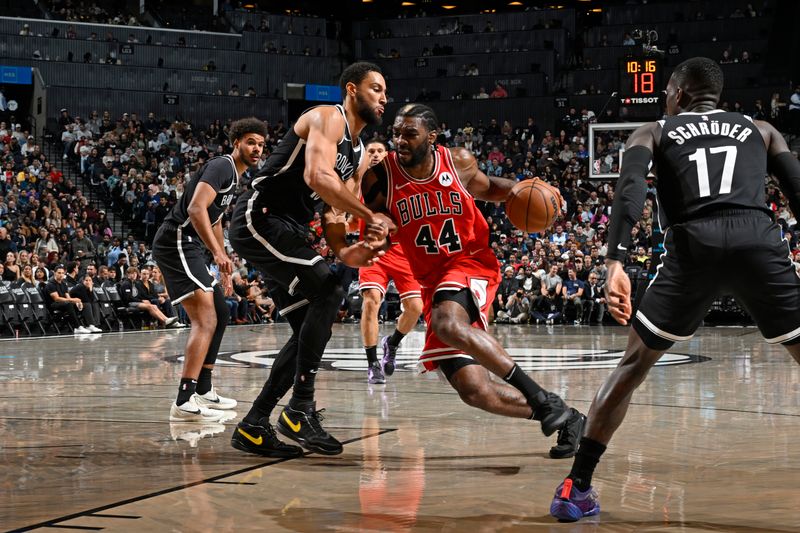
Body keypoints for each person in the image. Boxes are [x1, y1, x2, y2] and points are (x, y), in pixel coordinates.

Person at [550, 57, 800, 521]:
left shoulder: (654, 130)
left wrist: (615, 261)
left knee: (631, 366)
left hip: (693, 244)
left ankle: (576, 486)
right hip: (756, 239)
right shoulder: (761, 129)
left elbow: (629, 191)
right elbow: (798, 191)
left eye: (667, 91)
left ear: (679, 93)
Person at [360, 103, 585, 460]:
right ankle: (565, 416)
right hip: (432, 281)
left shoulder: (457, 161)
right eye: (397, 133)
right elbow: (375, 220)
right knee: (474, 390)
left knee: (447, 322)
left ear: (431, 137)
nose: (400, 140)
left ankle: (543, 398)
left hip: (471, 262)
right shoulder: (381, 176)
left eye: (410, 133)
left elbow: (493, 188)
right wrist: (379, 229)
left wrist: (533, 191)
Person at [228, 62, 389, 457]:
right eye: (376, 89)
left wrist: (353, 250)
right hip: (260, 217)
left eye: (385, 92)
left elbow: (333, 219)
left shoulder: (357, 152)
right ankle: (300, 407)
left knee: (309, 326)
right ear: (352, 90)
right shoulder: (325, 117)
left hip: (290, 231)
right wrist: (371, 216)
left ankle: (253, 425)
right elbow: (318, 176)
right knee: (328, 292)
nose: (384, 98)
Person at [153, 117, 267, 423]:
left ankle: (203, 388)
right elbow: (195, 209)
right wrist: (216, 253)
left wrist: (225, 262)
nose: (257, 149)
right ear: (237, 142)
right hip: (176, 240)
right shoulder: (222, 166)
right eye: (251, 142)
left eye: (261, 144)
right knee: (205, 320)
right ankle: (183, 399)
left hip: (192, 246)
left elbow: (215, 220)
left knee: (222, 311)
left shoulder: (235, 177)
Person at [357, 140, 423, 384]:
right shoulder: (357, 181)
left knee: (416, 307)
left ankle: (392, 343)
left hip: (402, 252)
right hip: (373, 252)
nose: (375, 154)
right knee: (371, 301)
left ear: (388, 155)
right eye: (370, 151)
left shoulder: (405, 181)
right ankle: (372, 362)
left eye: (379, 151)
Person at [45, 265, 95, 334]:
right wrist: (72, 300)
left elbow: (68, 298)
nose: (61, 275)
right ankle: (77, 327)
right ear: (54, 273)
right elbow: (56, 298)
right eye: (59, 273)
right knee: (69, 304)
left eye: (62, 273)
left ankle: (90, 325)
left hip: (64, 303)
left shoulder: (63, 284)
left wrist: (77, 302)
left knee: (86, 304)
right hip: (53, 305)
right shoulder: (50, 284)